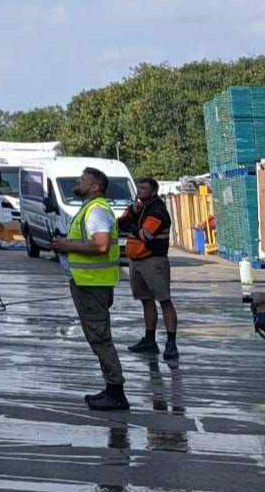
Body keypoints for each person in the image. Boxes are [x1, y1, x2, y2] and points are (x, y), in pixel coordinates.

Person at [51, 166, 128, 410]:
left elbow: (101, 245)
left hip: (92, 285)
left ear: (95, 187)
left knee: (100, 339)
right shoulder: (90, 208)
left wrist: (67, 246)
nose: (77, 181)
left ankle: (116, 392)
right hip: (90, 283)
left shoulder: (96, 210)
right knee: (98, 338)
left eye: (83, 179)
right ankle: (111, 388)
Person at [119, 176, 177, 359]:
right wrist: (131, 216)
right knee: (146, 300)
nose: (139, 191)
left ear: (153, 191)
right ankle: (149, 339)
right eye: (139, 188)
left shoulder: (157, 210)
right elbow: (119, 224)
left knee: (164, 301)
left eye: (144, 188)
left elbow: (146, 235)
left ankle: (171, 343)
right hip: (136, 261)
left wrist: (131, 225)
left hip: (154, 261)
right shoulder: (137, 208)